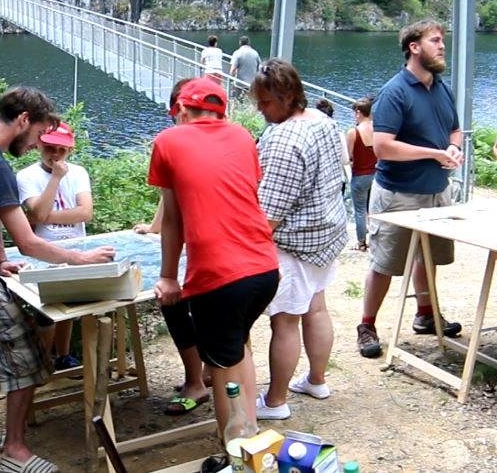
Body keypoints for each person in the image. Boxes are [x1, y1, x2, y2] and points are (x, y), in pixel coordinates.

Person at [0, 86, 115, 473]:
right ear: (22, 121)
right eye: (36, 136)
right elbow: (30, 242)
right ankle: (16, 452)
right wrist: (79, 258)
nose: (35, 146)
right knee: (30, 360)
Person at [148, 77, 279, 436]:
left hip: (219, 278)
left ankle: (235, 448)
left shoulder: (167, 140)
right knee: (237, 350)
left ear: (183, 110)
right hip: (264, 269)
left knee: (222, 373)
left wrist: (169, 276)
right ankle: (250, 437)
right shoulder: (242, 136)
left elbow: (173, 219)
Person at [356, 19, 465, 359]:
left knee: (428, 256)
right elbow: (382, 147)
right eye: (435, 40)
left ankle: (425, 314)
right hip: (398, 194)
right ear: (414, 48)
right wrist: (435, 153)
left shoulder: (442, 88)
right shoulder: (395, 91)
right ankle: (367, 325)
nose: (442, 46)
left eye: (442, 40)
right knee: (384, 263)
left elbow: (455, 130)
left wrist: (454, 149)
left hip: (437, 191)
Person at [250, 59, 348, 420]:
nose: (261, 109)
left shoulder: (285, 140)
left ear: (288, 95)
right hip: (327, 232)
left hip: (294, 244)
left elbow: (268, 214)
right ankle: (316, 380)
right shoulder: (323, 121)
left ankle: (275, 402)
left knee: (285, 320)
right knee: (316, 307)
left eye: (266, 102)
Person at [135, 77, 212, 415]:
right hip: (220, 247)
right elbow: (172, 195)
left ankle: (199, 381)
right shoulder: (225, 136)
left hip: (209, 246)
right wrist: (154, 228)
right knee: (193, 308)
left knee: (181, 305)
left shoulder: (189, 140)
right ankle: (206, 374)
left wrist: (169, 272)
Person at [17, 122, 93, 371]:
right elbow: (36, 212)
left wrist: (42, 215)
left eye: (62, 149)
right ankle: (41, 363)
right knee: (46, 310)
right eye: (50, 148)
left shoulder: (79, 172)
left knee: (71, 304)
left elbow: (85, 213)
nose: (56, 155)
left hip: (76, 246)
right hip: (44, 249)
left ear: (70, 149)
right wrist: (56, 178)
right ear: (39, 144)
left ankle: (63, 355)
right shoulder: (26, 176)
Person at [346, 96, 377, 252]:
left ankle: (361, 243)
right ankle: (376, 240)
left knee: (359, 211)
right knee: (374, 209)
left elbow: (348, 156)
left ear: (358, 113)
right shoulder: (378, 128)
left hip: (360, 175)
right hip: (376, 174)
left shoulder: (354, 132)